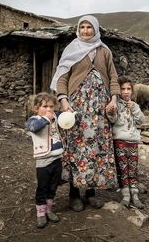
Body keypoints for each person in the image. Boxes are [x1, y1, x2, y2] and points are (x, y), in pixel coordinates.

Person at [50, 15, 120, 212]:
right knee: (75, 148)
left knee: (96, 149)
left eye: (90, 27)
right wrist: (63, 101)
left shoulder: (104, 51)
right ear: (78, 30)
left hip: (99, 111)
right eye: (83, 27)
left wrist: (113, 99)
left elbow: (113, 77)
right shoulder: (71, 49)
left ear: (96, 29)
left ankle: (90, 192)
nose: (86, 30)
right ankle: (73, 194)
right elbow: (62, 79)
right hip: (76, 109)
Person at [25, 92, 64, 228]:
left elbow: (66, 117)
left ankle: (48, 209)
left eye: (51, 107)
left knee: (53, 186)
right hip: (43, 161)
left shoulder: (55, 117)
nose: (49, 109)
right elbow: (33, 128)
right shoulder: (34, 120)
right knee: (43, 187)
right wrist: (46, 119)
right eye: (45, 106)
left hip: (57, 159)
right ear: (36, 108)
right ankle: (40, 214)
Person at [106, 76, 145, 209]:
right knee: (123, 169)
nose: (126, 92)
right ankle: (126, 195)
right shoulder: (116, 104)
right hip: (120, 141)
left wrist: (134, 108)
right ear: (119, 91)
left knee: (133, 169)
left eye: (129, 89)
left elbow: (141, 121)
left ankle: (135, 195)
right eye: (123, 89)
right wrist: (111, 111)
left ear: (132, 91)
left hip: (133, 141)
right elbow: (113, 120)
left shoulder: (135, 105)